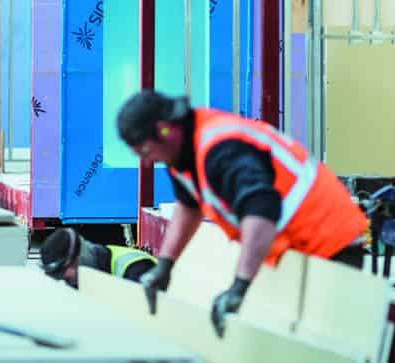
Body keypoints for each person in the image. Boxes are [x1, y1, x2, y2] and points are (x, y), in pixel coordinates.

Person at [116, 90, 368, 338]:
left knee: (328, 341)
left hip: (331, 241)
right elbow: (188, 205)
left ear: (164, 130)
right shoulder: (184, 154)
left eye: (145, 152)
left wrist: (239, 287)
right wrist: (165, 266)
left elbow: (261, 212)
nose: (147, 162)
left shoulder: (220, 149)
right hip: (302, 245)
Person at [39, 228, 156, 288]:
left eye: (65, 270)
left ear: (81, 256)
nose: (65, 279)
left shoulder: (135, 269)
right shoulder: (88, 274)